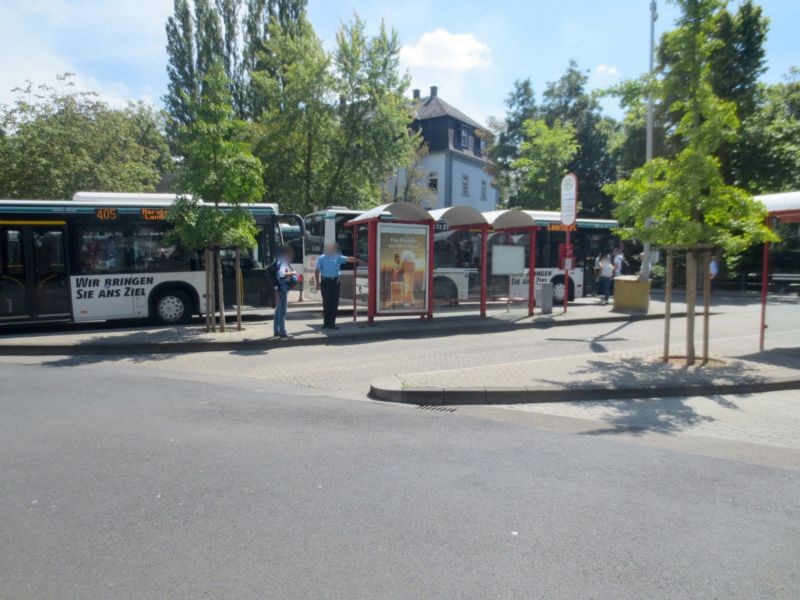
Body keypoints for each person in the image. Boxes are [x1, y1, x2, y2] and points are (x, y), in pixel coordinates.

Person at [314, 242, 361, 329]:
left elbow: (348, 259)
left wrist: (358, 260)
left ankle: (332, 324)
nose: (331, 250)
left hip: (335, 282)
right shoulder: (322, 258)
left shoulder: (337, 257)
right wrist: (317, 283)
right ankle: (326, 323)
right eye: (330, 248)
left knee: (334, 303)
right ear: (327, 249)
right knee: (326, 303)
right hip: (325, 282)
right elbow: (316, 271)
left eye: (333, 248)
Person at [273, 245, 297, 339]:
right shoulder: (283, 262)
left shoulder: (278, 260)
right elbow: (281, 273)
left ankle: (276, 331)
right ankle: (282, 332)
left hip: (278, 287)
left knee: (278, 309)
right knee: (282, 311)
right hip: (283, 288)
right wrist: (292, 273)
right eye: (289, 253)